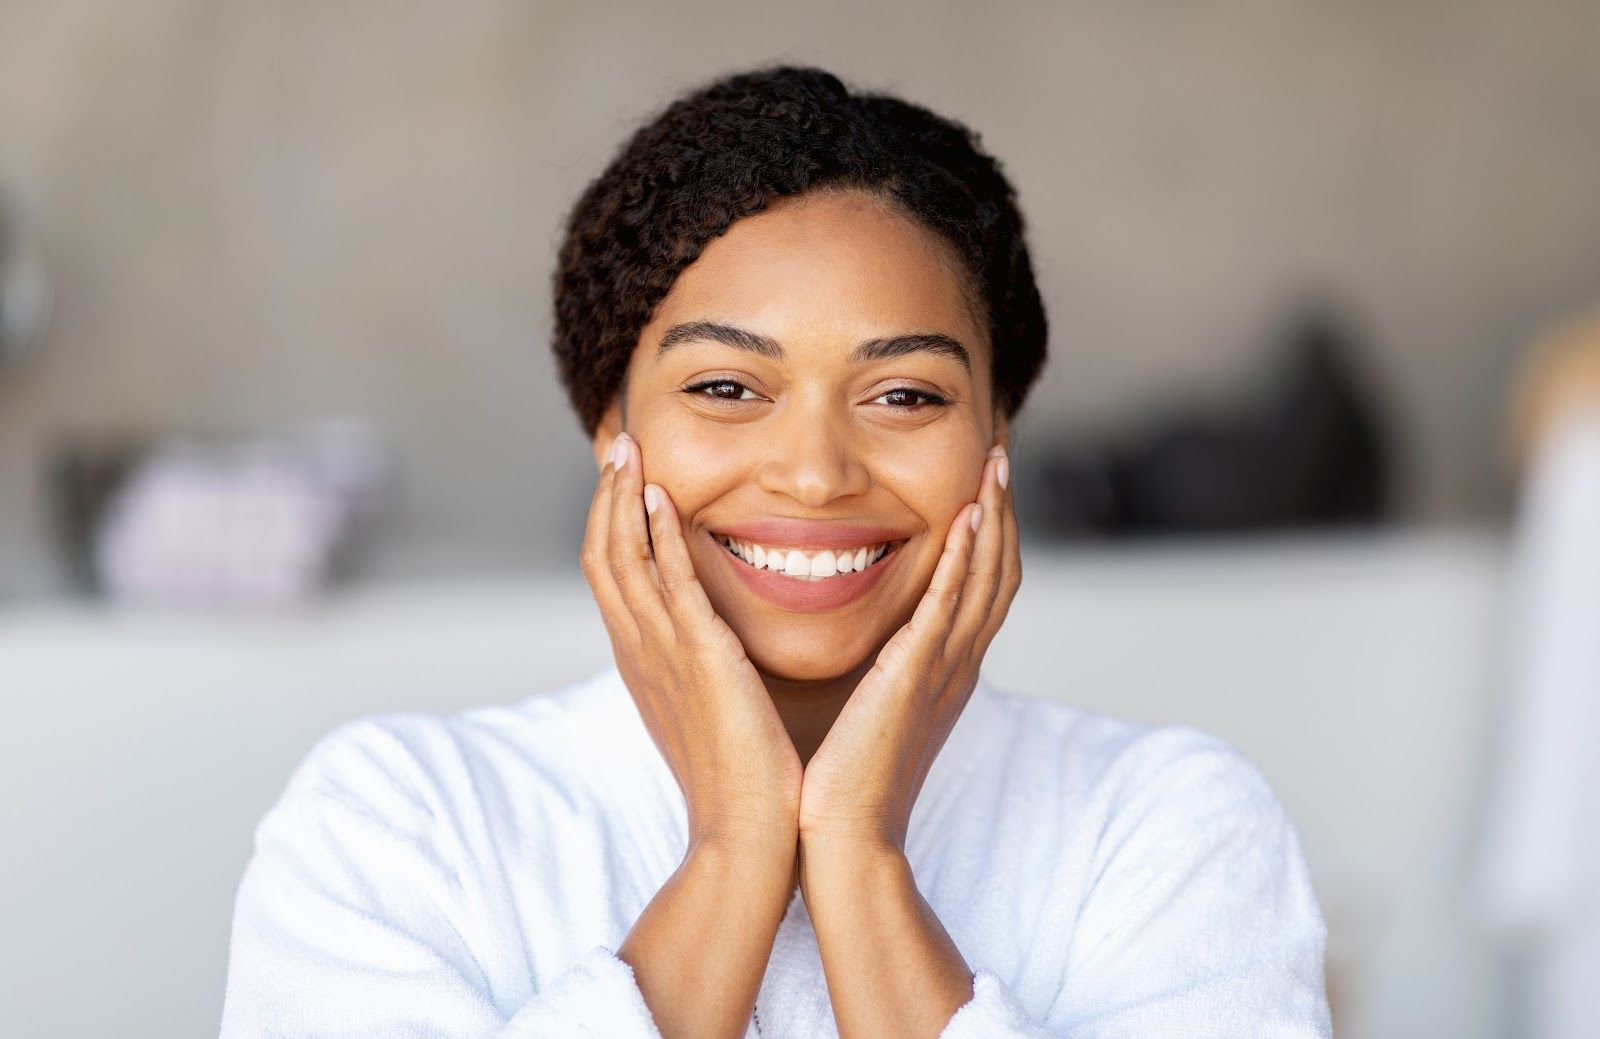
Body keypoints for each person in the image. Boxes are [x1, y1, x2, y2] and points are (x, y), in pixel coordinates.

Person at [220, 64, 1332, 1038]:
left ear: (996, 439)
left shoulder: (1169, 827)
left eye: (904, 393)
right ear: (612, 429)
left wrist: (857, 853)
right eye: (724, 386)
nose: (813, 472)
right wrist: (735, 845)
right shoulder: (397, 821)